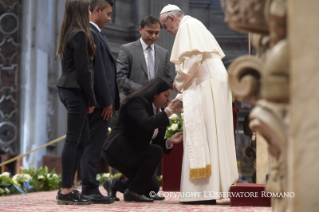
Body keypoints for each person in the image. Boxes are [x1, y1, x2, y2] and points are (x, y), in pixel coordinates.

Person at [159, 4, 238, 203]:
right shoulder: (193, 24)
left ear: (171, 19)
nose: (167, 31)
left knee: (208, 134)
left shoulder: (187, 26)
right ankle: (213, 188)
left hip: (208, 84)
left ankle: (204, 191)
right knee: (213, 135)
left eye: (165, 26)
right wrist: (182, 95)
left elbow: (193, 61)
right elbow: (196, 66)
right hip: (210, 82)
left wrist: (177, 84)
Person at [102, 77, 183, 202]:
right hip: (118, 152)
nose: (169, 100)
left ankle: (115, 184)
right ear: (155, 93)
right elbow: (146, 124)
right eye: (166, 95)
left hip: (135, 153)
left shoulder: (160, 111)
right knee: (155, 152)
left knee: (152, 189)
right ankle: (133, 192)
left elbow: (156, 143)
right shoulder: (137, 102)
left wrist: (169, 142)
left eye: (170, 96)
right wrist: (169, 111)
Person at [55, 0, 96, 205]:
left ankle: (69, 185)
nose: (90, 11)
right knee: (73, 139)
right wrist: (91, 98)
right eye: (88, 8)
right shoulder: (79, 33)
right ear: (82, 10)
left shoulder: (69, 31)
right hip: (75, 91)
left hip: (67, 89)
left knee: (83, 137)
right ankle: (66, 190)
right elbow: (83, 71)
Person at [79, 0, 119, 204]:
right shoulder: (92, 33)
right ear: (97, 10)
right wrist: (107, 101)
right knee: (92, 147)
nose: (110, 19)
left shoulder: (95, 33)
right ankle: (89, 189)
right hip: (100, 104)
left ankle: (89, 187)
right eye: (108, 14)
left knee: (92, 146)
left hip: (99, 102)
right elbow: (99, 72)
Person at [116, 15, 173, 101]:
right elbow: (120, 78)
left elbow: (168, 79)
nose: (153, 36)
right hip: (133, 101)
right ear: (140, 30)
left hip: (156, 103)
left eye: (157, 33)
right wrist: (144, 90)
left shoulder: (163, 53)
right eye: (150, 32)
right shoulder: (127, 49)